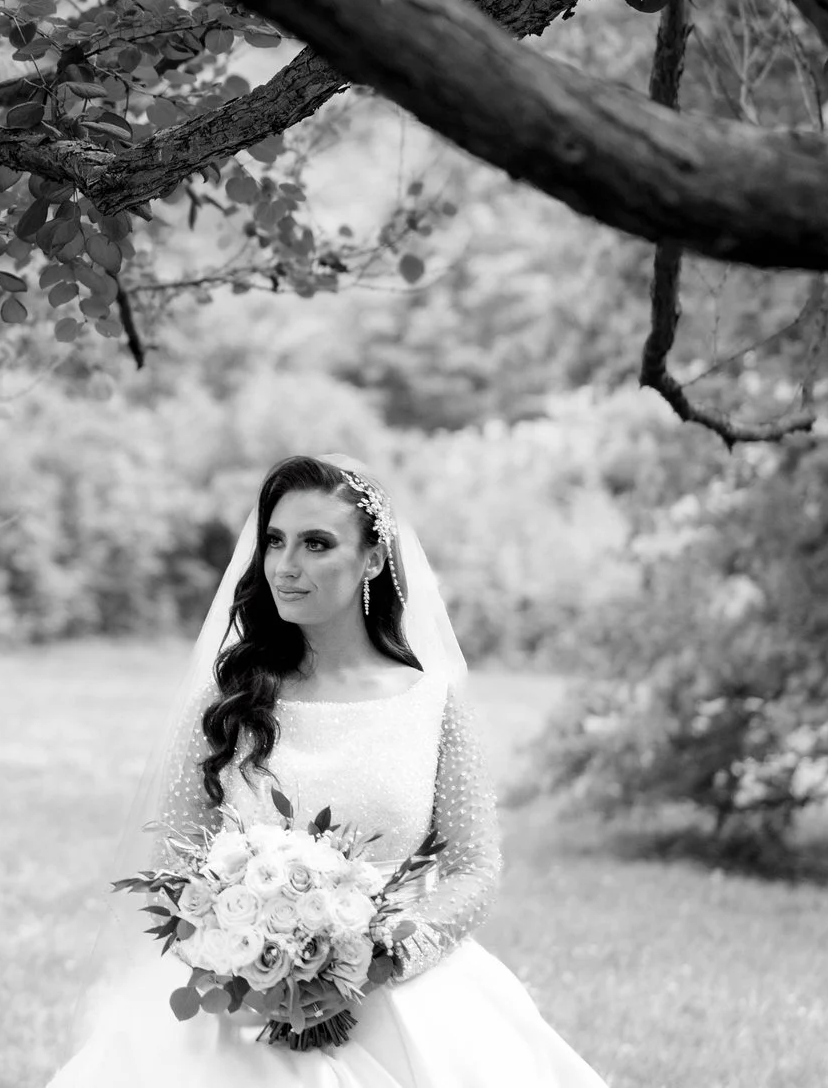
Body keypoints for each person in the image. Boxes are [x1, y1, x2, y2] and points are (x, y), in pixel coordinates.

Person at [44, 454, 610, 1087]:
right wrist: (241, 956)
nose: (287, 566)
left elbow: (474, 865)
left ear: (372, 559)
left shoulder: (433, 701)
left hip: (398, 993)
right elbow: (174, 860)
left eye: (317, 544)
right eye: (276, 542)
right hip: (236, 1005)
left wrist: (375, 961)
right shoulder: (227, 699)